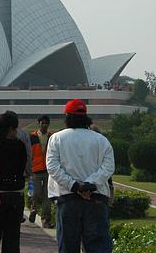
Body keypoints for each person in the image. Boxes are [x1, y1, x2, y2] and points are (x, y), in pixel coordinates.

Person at [46, 99, 115, 253]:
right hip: (96, 199)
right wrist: (90, 184)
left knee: (68, 247)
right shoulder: (101, 140)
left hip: (68, 198)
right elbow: (108, 167)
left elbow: (53, 167)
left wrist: (75, 186)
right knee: (98, 247)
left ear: (67, 117)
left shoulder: (57, 139)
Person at [0, 112, 27, 253]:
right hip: (15, 194)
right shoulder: (19, 145)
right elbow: (22, 168)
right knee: (12, 237)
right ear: (10, 128)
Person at [28, 114, 53, 228]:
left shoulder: (52, 137)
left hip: (48, 170)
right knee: (36, 194)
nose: (44, 125)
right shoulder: (32, 137)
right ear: (39, 124)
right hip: (36, 169)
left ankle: (46, 220)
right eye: (42, 123)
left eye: (46, 123)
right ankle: (34, 209)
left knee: (47, 197)